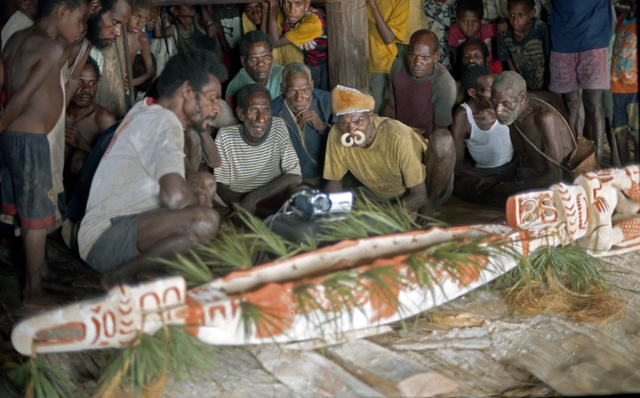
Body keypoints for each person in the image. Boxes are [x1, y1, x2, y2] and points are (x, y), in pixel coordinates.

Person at [78, 50, 226, 288]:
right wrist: (201, 206)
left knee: (205, 181)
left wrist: (195, 181)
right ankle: (118, 276)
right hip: (103, 241)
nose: (217, 108)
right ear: (187, 90)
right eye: (212, 98)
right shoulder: (164, 122)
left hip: (114, 228)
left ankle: (154, 269)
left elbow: (172, 166)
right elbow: (174, 197)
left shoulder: (146, 108)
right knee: (205, 222)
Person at [0, 0, 89, 308]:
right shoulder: (48, 49)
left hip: (18, 138)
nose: (80, 26)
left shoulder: (16, 39)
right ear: (61, 11)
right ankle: (32, 291)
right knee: (35, 218)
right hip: (29, 140)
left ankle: (41, 275)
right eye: (79, 18)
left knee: (30, 215)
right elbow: (20, 98)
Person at [324, 85, 455, 221]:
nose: (352, 131)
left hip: (425, 189)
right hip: (382, 195)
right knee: (349, 201)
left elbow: (419, 196)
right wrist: (334, 212)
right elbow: (334, 183)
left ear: (370, 116)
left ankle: (428, 207)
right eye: (345, 123)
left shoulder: (397, 135)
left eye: (358, 121)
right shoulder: (337, 133)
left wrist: (389, 217)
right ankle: (393, 212)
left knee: (442, 139)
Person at [481, 71, 575, 205]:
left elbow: (556, 175)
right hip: (528, 176)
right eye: (494, 102)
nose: (498, 110)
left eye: (505, 103)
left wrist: (510, 187)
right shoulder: (512, 114)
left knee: (485, 196)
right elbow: (525, 156)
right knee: (469, 187)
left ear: (521, 97)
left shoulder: (543, 118)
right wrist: (496, 179)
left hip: (556, 185)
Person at [215, 84, 302, 216]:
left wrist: (253, 198)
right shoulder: (225, 136)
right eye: (253, 110)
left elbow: (295, 176)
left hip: (273, 195)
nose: (261, 118)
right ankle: (261, 215)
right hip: (238, 199)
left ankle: (262, 214)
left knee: (295, 194)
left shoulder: (278, 126)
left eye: (266, 110)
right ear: (241, 114)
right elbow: (221, 185)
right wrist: (240, 208)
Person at [548, 0, 613, 166]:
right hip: (562, 39)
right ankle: (575, 160)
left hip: (594, 37)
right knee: (572, 104)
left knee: (593, 102)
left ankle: (596, 163)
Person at [451, 66, 515, 205]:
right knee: (466, 186)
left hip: (514, 166)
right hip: (487, 172)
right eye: (489, 90)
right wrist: (494, 177)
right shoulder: (463, 116)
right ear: (473, 92)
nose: (496, 94)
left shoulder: (503, 104)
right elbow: (456, 166)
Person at [384, 29, 456, 139]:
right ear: (407, 51)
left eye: (425, 57)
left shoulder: (444, 83)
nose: (417, 63)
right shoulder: (398, 65)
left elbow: (440, 130)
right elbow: (390, 108)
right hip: (398, 136)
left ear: (436, 56)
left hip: (425, 141)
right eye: (412, 55)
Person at [271, 62, 333, 185]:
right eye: (292, 91)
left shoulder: (328, 103)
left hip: (331, 177)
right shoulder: (273, 112)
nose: (299, 98)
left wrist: (322, 127)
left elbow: (346, 142)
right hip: (295, 181)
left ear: (312, 85)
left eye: (305, 90)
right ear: (282, 88)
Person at [64, 57, 116, 197]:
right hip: (54, 185)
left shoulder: (103, 118)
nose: (87, 89)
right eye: (80, 82)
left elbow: (113, 166)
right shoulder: (58, 112)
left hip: (85, 195)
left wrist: (80, 144)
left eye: (92, 83)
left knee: (79, 158)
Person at [266, 0, 329, 90]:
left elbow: (274, 43)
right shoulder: (283, 13)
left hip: (328, 60)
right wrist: (266, 8)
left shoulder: (313, 23)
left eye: (298, 4)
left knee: (323, 93)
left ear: (307, 3)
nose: (292, 10)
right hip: (312, 60)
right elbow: (267, 40)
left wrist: (273, 6)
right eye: (287, 3)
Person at [367, 0, 409, 114]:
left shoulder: (401, 2)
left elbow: (388, 38)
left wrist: (373, 6)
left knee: (375, 116)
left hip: (379, 65)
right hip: (355, 61)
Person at [497, 0, 550, 91]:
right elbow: (507, 58)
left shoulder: (541, 29)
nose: (515, 21)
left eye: (521, 15)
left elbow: (549, 59)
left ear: (532, 13)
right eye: (511, 15)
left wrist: (546, 86)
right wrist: (519, 84)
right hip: (520, 84)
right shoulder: (504, 31)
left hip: (543, 83)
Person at [225, 30, 284, 107]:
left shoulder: (283, 74)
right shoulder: (237, 85)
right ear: (243, 61)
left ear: (272, 57)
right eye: (253, 59)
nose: (261, 64)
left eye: (266, 57)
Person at [610, 0, 637, 165]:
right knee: (620, 136)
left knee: (637, 136)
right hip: (616, 88)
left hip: (635, 88)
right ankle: (627, 174)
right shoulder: (620, 19)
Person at [448, 0, 502, 75]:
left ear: (481, 20)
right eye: (465, 21)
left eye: (474, 21)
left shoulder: (488, 30)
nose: (470, 27)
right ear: (457, 20)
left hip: (490, 69)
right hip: (468, 70)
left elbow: (504, 28)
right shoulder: (454, 31)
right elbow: (455, 58)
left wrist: (503, 21)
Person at [156, 5, 221, 60]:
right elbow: (158, 34)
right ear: (174, 11)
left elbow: (210, 29)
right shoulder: (177, 29)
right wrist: (155, 11)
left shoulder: (199, 20)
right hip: (195, 71)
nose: (190, 4)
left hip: (212, 68)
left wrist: (201, 5)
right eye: (185, 3)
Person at [125, 1, 155, 93]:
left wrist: (131, 83)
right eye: (136, 16)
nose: (140, 23)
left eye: (145, 19)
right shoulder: (113, 33)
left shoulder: (141, 38)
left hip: (123, 89)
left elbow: (150, 72)